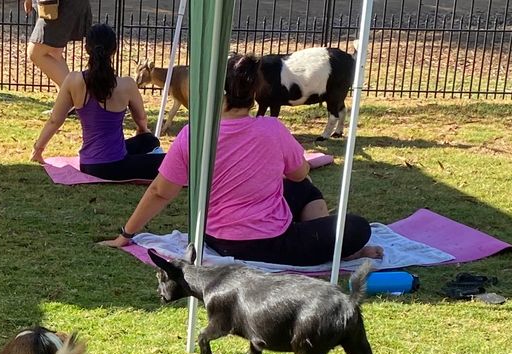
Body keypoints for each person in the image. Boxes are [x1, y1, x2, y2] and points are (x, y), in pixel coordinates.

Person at [100, 55, 382, 266]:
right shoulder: (272, 130)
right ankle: (328, 247)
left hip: (214, 237)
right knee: (357, 226)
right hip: (267, 244)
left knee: (303, 192)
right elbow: (300, 173)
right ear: (254, 92)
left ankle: (314, 238)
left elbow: (160, 191)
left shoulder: (194, 133)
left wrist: (126, 234)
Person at [31, 23, 163, 181]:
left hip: (87, 164)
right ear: (114, 50)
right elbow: (141, 119)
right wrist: (141, 129)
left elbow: (55, 120)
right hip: (115, 166)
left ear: (87, 49)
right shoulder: (127, 84)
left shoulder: (73, 80)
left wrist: (38, 150)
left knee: (149, 141)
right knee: (170, 161)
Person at [25, 0, 92, 90]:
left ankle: (78, 94)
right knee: (53, 54)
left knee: (35, 52)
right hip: (59, 5)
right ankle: (66, 101)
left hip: (61, 5)